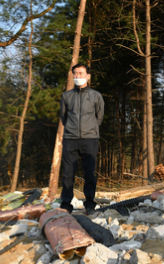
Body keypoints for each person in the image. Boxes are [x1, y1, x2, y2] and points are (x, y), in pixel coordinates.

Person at [59, 64, 104, 214]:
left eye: (81, 73)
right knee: (67, 173)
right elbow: (63, 117)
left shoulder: (96, 96)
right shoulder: (66, 96)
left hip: (90, 139)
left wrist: (89, 129)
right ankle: (66, 204)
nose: (78, 76)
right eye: (75, 74)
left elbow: (99, 116)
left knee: (89, 172)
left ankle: (90, 203)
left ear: (88, 76)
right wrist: (72, 129)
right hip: (70, 139)